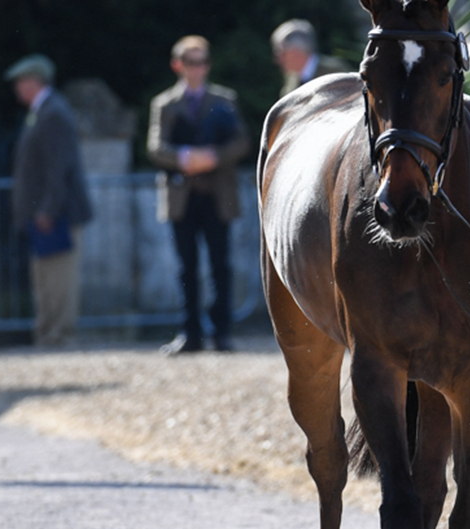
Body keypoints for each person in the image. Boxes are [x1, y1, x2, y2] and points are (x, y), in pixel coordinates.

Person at [147, 35, 249, 354]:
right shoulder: (164, 103)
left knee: (221, 264)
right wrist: (185, 158)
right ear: (178, 65)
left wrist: (214, 157)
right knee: (185, 266)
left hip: (217, 195)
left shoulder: (225, 98)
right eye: (191, 61)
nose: (198, 68)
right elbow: (155, 146)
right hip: (183, 196)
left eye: (203, 61)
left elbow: (242, 141)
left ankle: (222, 333)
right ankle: (190, 333)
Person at [5, 54, 94, 347]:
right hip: (45, 213)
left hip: (56, 214)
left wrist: (47, 209)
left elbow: (60, 168)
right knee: (45, 279)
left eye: (21, 81)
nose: (17, 88)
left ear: (34, 81)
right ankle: (48, 334)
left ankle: (59, 335)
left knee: (58, 280)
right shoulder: (43, 111)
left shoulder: (53, 112)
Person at [270, 19, 349, 97]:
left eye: (282, 53)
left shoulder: (336, 73)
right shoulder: (291, 82)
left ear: (296, 51)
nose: (277, 60)